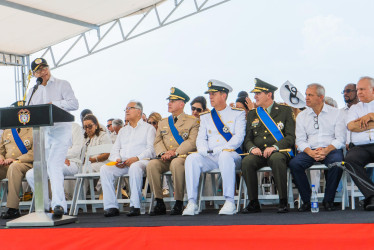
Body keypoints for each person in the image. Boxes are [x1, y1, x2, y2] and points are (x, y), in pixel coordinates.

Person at [182, 80, 246, 215]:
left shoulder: (237, 113)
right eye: (209, 94)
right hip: (210, 156)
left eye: (214, 94)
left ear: (224, 96)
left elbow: (239, 137)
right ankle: (192, 202)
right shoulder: (206, 116)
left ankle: (229, 201)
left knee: (225, 155)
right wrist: (202, 149)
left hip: (231, 154)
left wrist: (223, 148)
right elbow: (201, 138)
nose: (210, 97)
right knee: (191, 159)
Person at [26, 57, 79, 219]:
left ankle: (59, 205)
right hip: (42, 134)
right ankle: (46, 205)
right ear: (34, 74)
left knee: (54, 166)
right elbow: (29, 111)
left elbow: (74, 104)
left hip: (60, 132)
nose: (43, 71)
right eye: (39, 70)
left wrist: (54, 104)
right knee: (33, 173)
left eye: (45, 68)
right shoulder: (33, 91)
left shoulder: (62, 84)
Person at [241, 78, 295, 213]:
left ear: (269, 94)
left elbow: (290, 136)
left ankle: (282, 201)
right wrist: (252, 148)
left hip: (279, 151)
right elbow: (248, 138)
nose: (255, 96)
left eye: (258, 93)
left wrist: (275, 147)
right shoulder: (253, 113)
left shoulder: (284, 111)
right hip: (259, 153)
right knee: (247, 161)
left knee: (277, 159)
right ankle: (253, 202)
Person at [289, 83, 346, 212]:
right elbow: (300, 140)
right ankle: (308, 200)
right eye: (306, 94)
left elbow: (340, 139)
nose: (306, 98)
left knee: (337, 164)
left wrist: (326, 150)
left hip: (330, 149)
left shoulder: (336, 113)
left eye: (310, 95)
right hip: (310, 150)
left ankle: (328, 200)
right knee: (294, 164)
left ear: (321, 98)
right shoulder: (302, 116)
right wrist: (311, 152)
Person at [147, 88, 199, 215]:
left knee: (176, 163)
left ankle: (179, 202)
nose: (169, 103)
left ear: (181, 104)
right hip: (165, 157)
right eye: (169, 101)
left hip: (182, 156)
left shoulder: (193, 121)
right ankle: (159, 202)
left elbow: (192, 142)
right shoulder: (163, 122)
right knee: (151, 165)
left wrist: (175, 152)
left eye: (172, 101)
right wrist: (163, 153)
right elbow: (157, 141)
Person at [100, 101, 156, 217]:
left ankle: (135, 206)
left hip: (142, 161)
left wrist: (136, 158)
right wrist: (117, 159)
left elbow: (151, 150)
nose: (126, 111)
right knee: (105, 169)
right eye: (125, 109)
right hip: (123, 163)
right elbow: (115, 149)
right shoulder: (123, 131)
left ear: (139, 111)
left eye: (130, 108)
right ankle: (111, 206)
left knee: (135, 167)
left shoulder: (148, 128)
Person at [26, 122, 84, 207]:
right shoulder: (46, 128)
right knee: (31, 174)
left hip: (71, 162)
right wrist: (56, 157)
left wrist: (60, 156)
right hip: (51, 160)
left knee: (55, 169)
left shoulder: (74, 127)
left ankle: (58, 205)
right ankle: (47, 204)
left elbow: (77, 150)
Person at [344, 77, 374, 210]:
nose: (359, 92)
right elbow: (352, 126)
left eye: (362, 89)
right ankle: (371, 195)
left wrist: (370, 116)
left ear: (373, 90)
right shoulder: (354, 108)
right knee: (349, 160)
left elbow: (357, 126)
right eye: (357, 90)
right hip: (361, 147)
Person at [0, 103, 34, 219]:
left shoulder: (34, 129)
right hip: (6, 164)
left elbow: (35, 152)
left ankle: (12, 208)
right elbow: (1, 149)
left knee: (14, 167)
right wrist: (1, 157)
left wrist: (16, 160)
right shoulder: (7, 131)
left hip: (25, 164)